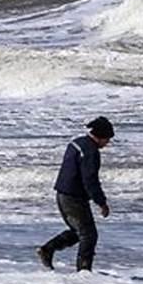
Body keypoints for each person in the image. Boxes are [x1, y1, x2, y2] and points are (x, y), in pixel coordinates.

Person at [36, 116, 114, 272]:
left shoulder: (77, 142)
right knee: (89, 235)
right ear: (100, 136)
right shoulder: (91, 152)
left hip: (61, 194)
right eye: (107, 139)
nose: (108, 143)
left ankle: (47, 249)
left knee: (79, 232)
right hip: (73, 198)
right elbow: (90, 180)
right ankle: (84, 271)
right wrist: (102, 202)